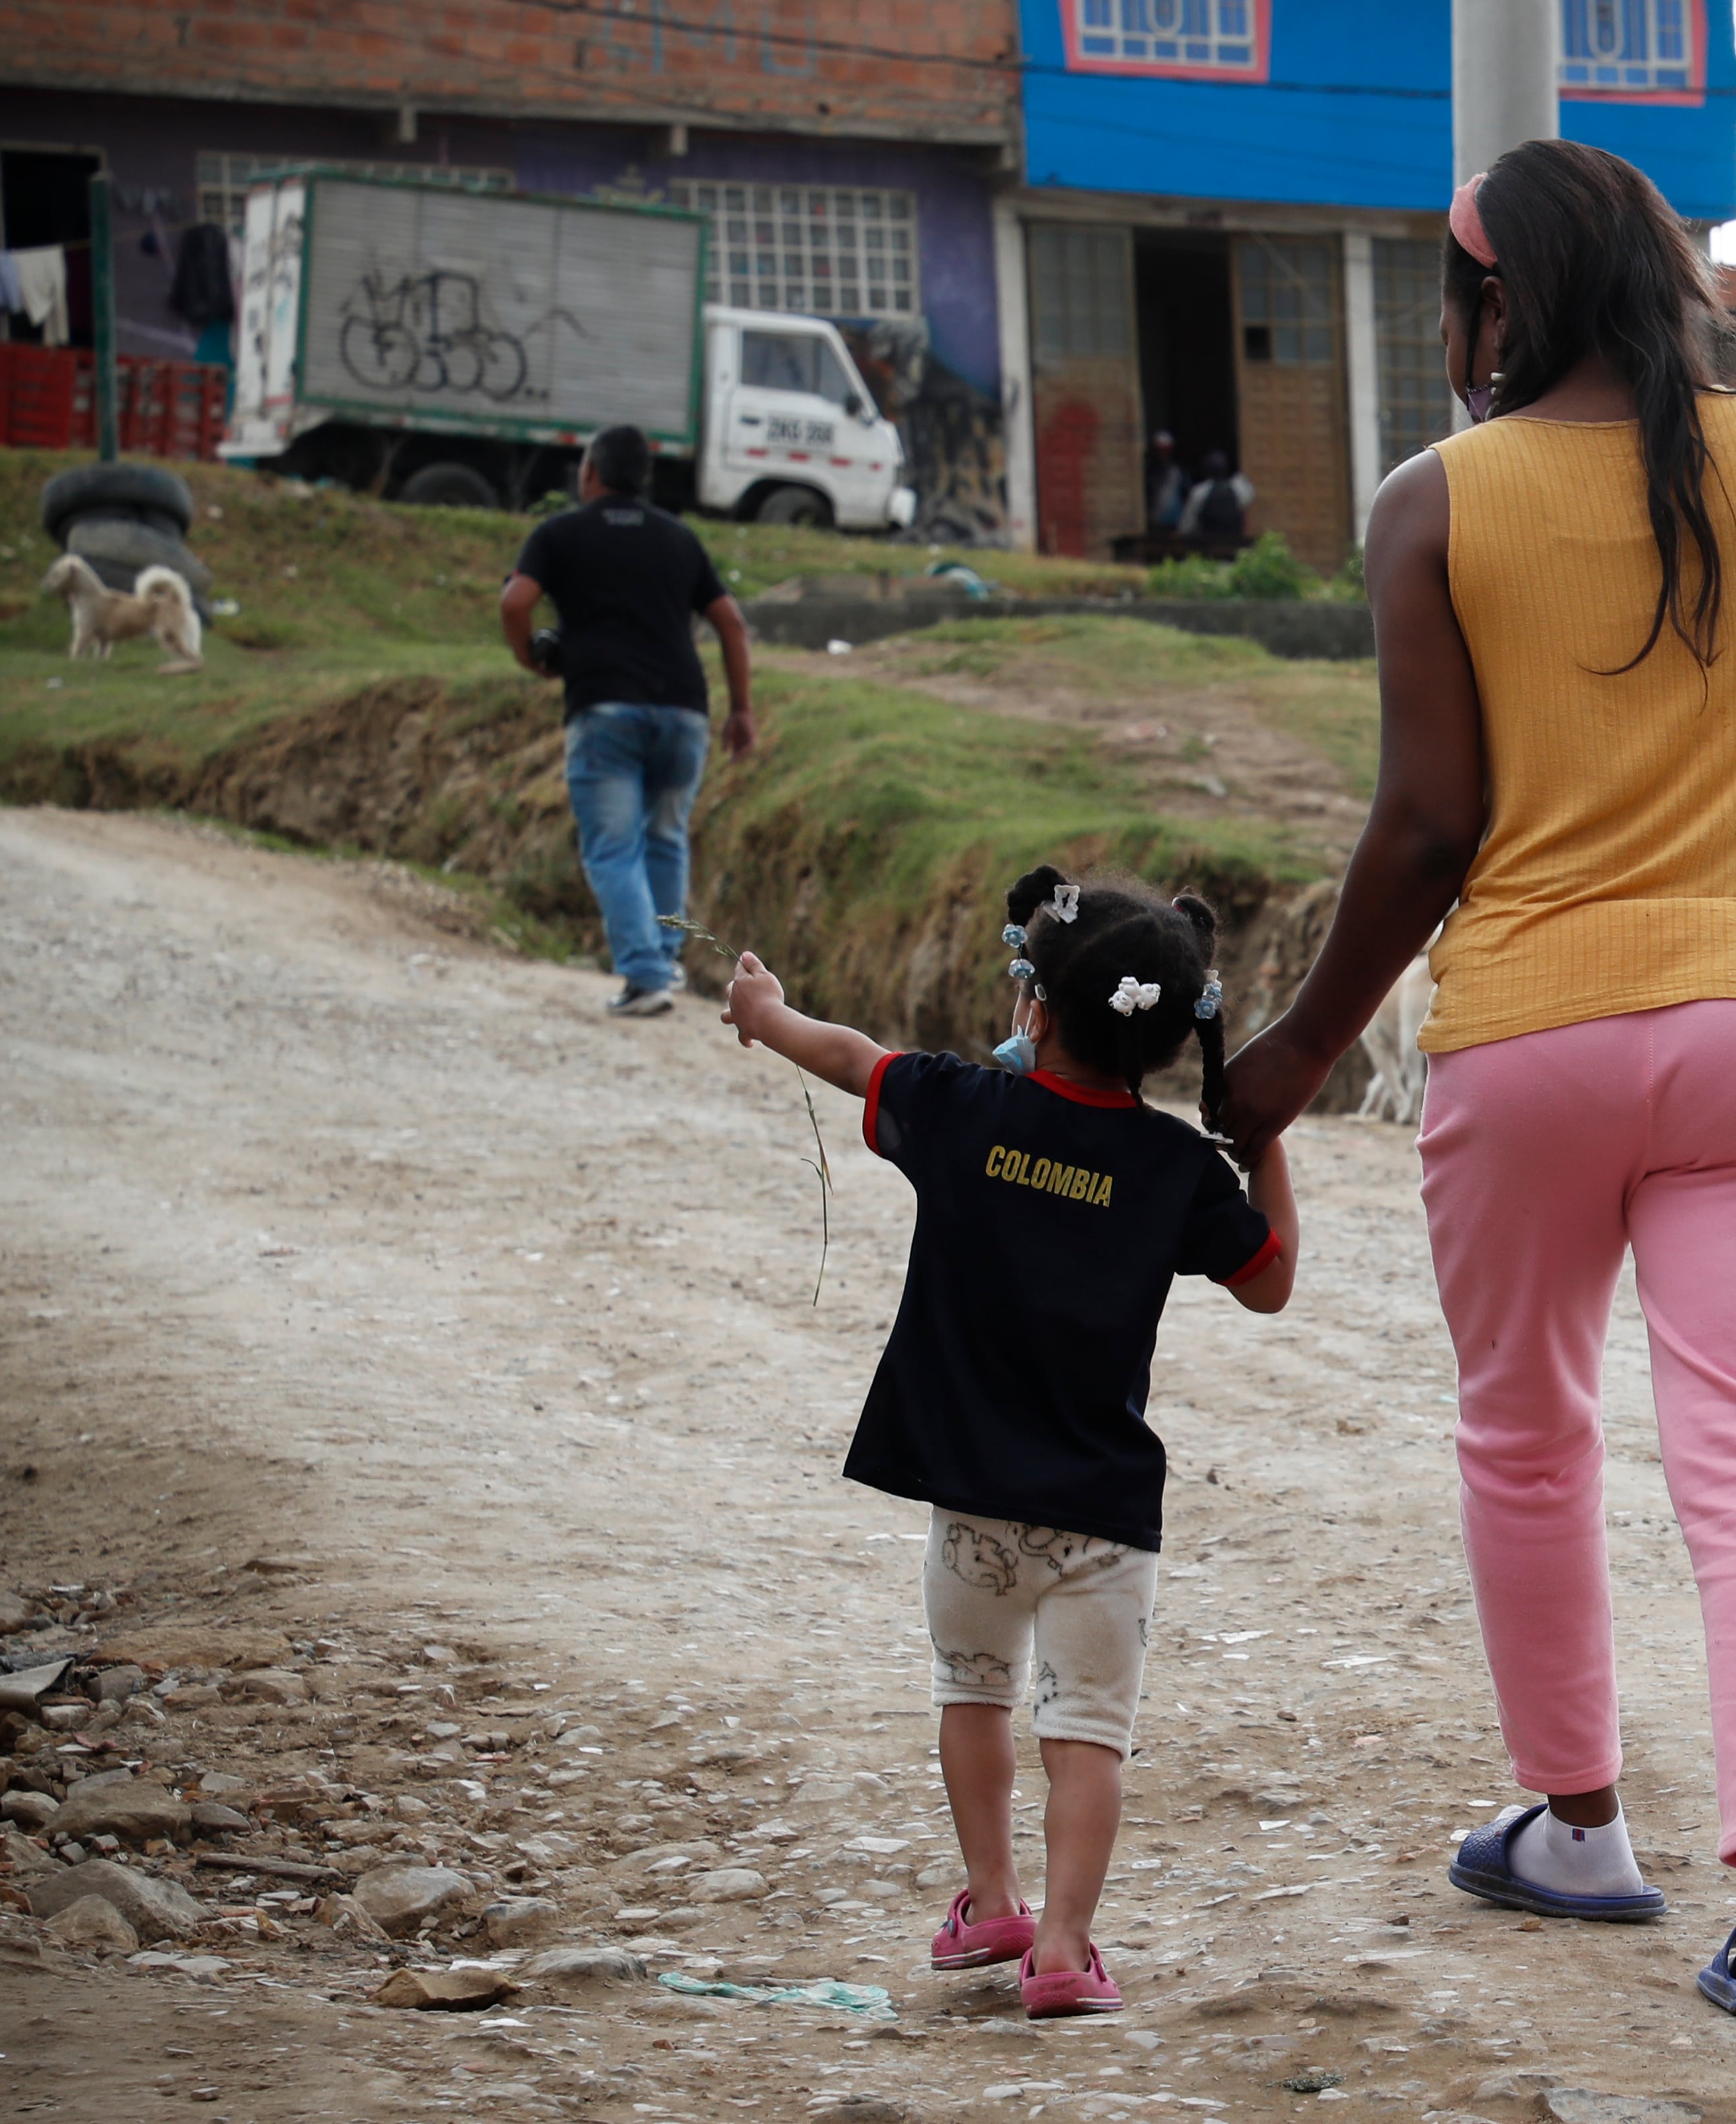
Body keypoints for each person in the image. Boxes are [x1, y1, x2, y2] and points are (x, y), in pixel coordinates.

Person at [1214, 140, 1736, 2032]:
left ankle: (1576, 1823)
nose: (1442, 325)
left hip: (1527, 1039)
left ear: (1502, 299)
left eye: (1447, 289)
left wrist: (1288, 1056)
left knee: (1527, 1435)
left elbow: (1426, 828)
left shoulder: (1434, 504)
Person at [720, 865, 1298, 2018]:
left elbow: (848, 1058)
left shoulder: (962, 1107)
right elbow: (1270, 1279)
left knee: (974, 1691)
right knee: (1089, 1731)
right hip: (1103, 1520)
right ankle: (1068, 1948)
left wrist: (766, 1013)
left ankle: (990, 1899)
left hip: (972, 1501)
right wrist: (1264, 1139)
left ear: (1036, 1005)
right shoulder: (1177, 1168)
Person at [498, 425, 755, 1017]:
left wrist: (530, 656)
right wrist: (741, 709)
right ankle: (662, 961)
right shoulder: (679, 539)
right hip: (684, 712)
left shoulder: (560, 533)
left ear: (590, 472)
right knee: (666, 838)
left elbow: (516, 601)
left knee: (613, 847)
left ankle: (645, 978)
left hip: (605, 708)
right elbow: (732, 625)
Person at [1180, 450, 1254, 549]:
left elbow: (1187, 526)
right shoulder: (1239, 490)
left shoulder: (1200, 492)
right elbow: (1249, 495)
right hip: (1233, 546)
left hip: (1208, 547)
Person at [1146, 430, 1186, 534]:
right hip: (1156, 520)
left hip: (1176, 520)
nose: (1164, 453)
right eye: (1161, 450)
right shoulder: (1150, 472)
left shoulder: (1177, 470)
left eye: (1167, 450)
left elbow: (1186, 491)